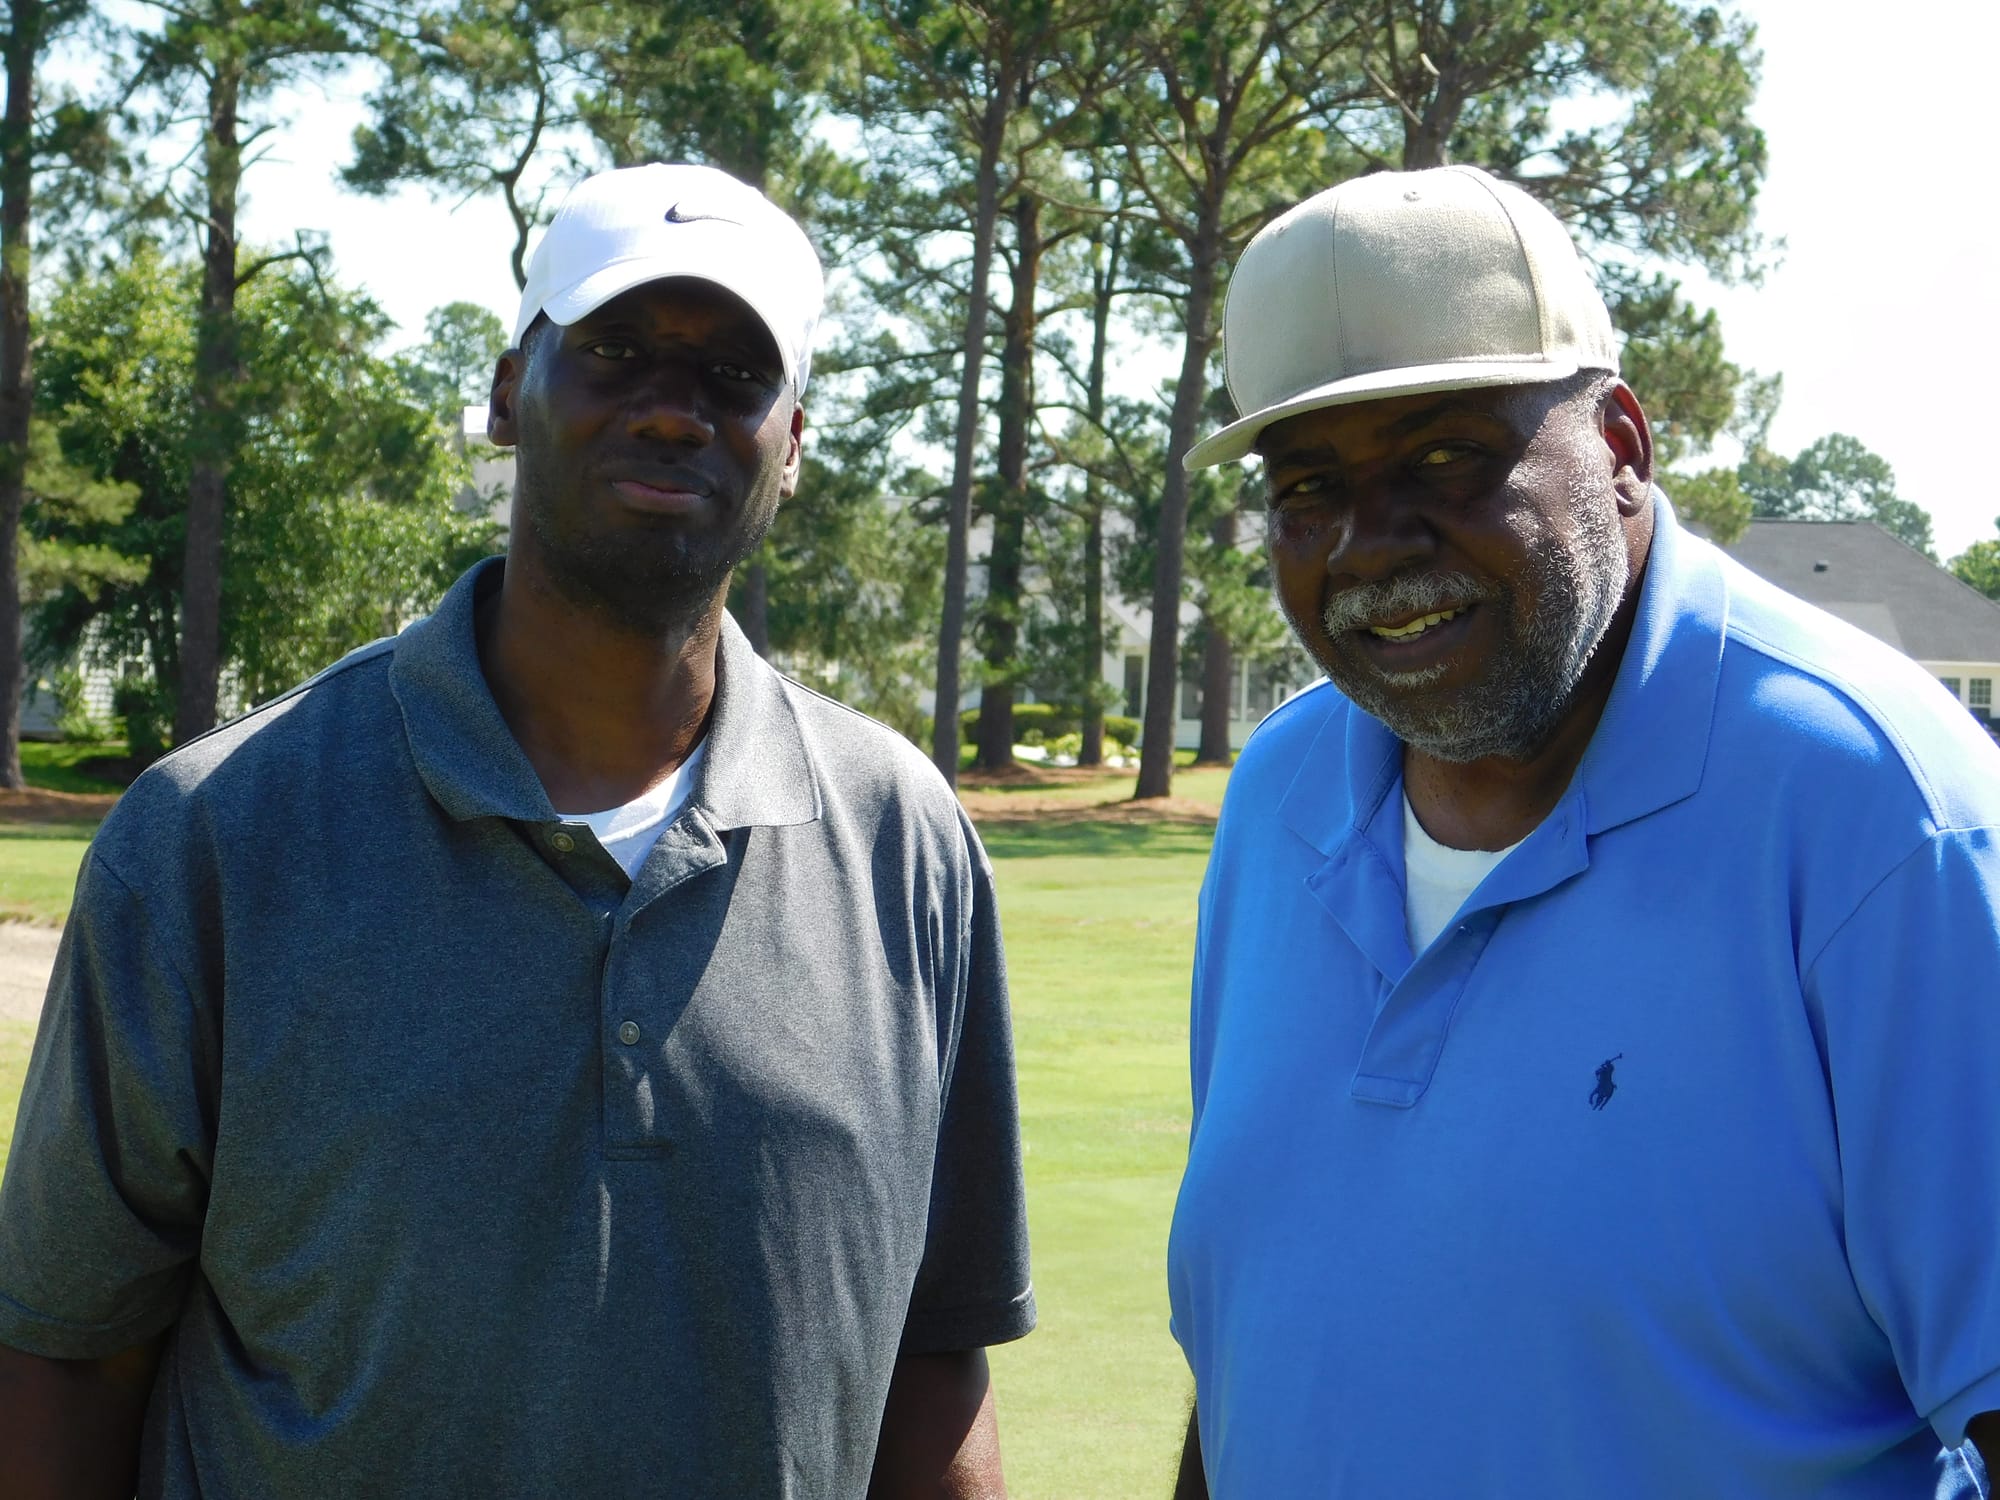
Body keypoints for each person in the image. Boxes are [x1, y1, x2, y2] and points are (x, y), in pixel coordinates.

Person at [0, 163, 1034, 1499]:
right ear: (506, 394)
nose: (673, 409)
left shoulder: (909, 848)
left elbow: (932, 1364)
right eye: (612, 352)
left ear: (794, 441)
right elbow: (67, 1357)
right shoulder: (215, 836)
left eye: (733, 375)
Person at [1164, 164, 2000, 1497]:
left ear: (1621, 446)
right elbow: (1263, 1339)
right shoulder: (1280, 798)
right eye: (1308, 486)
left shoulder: (1885, 816)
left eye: (1445, 456)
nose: (1373, 545)